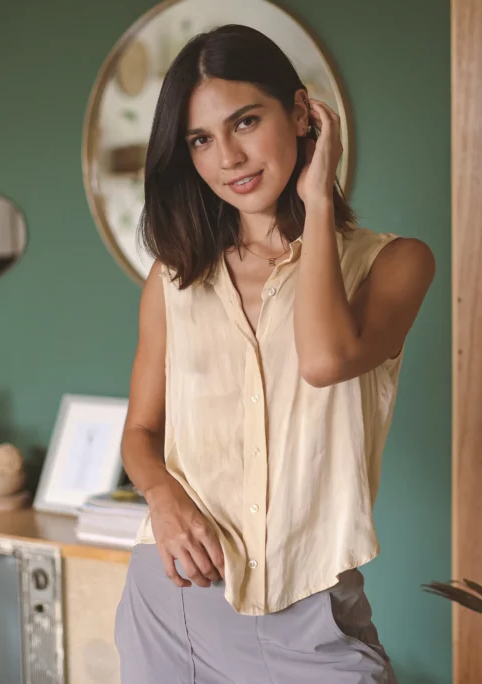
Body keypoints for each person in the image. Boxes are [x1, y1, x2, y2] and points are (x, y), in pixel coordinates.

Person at [114, 23, 435, 684]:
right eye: (201, 139)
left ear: (300, 114)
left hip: (311, 613)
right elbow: (140, 434)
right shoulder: (173, 281)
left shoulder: (395, 264)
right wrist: (164, 499)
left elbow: (325, 358)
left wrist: (317, 200)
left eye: (245, 122)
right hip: (174, 599)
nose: (228, 157)